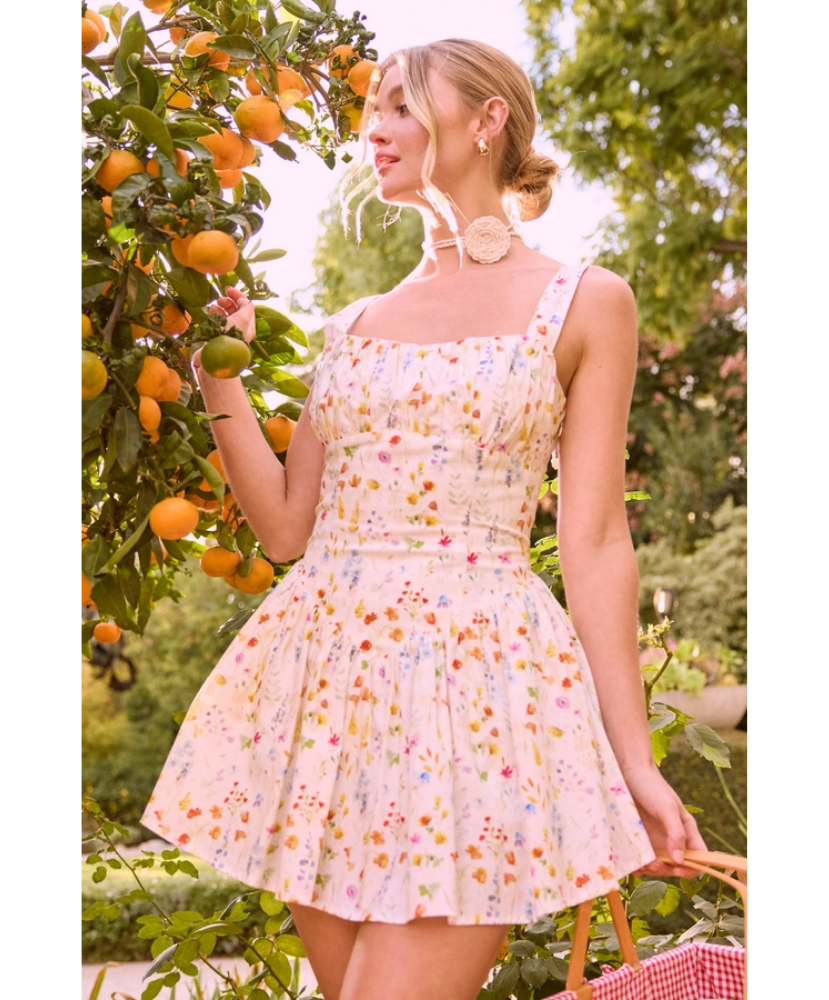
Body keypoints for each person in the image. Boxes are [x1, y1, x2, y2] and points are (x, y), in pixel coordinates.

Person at [142, 39, 705, 1000]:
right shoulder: (353, 324)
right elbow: (285, 530)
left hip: (475, 695)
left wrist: (634, 763)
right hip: (328, 697)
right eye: (373, 109)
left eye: (401, 105)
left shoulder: (584, 302)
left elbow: (594, 540)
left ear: (486, 120)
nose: (375, 127)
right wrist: (217, 379)